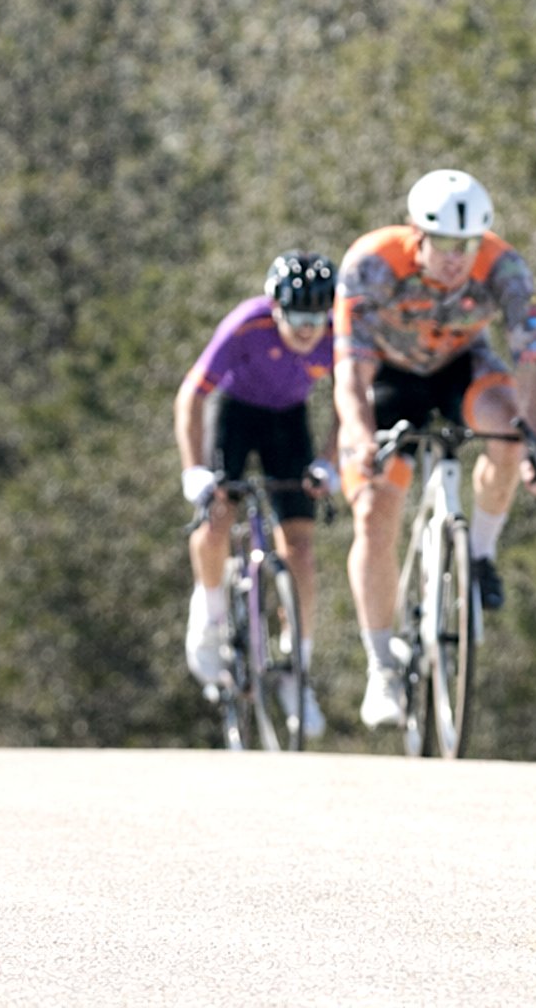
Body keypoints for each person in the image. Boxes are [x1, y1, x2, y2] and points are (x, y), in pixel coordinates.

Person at [332, 170, 536, 731]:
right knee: (374, 510)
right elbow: (350, 375)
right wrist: (360, 437)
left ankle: (478, 553)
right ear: (416, 234)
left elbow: (531, 358)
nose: (458, 260)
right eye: (446, 246)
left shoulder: (504, 267)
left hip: (462, 366)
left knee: (506, 439)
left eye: (469, 246)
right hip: (388, 376)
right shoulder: (371, 263)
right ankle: (382, 665)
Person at [177, 250, 338, 739]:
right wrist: (195, 470)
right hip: (237, 413)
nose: (308, 327)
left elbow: (348, 400)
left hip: (289, 423)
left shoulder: (335, 335)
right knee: (218, 516)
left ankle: (297, 669)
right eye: (297, 315)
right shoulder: (246, 325)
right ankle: (208, 615)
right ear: (275, 307)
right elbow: (192, 394)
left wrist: (328, 462)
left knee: (302, 550)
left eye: (318, 314)